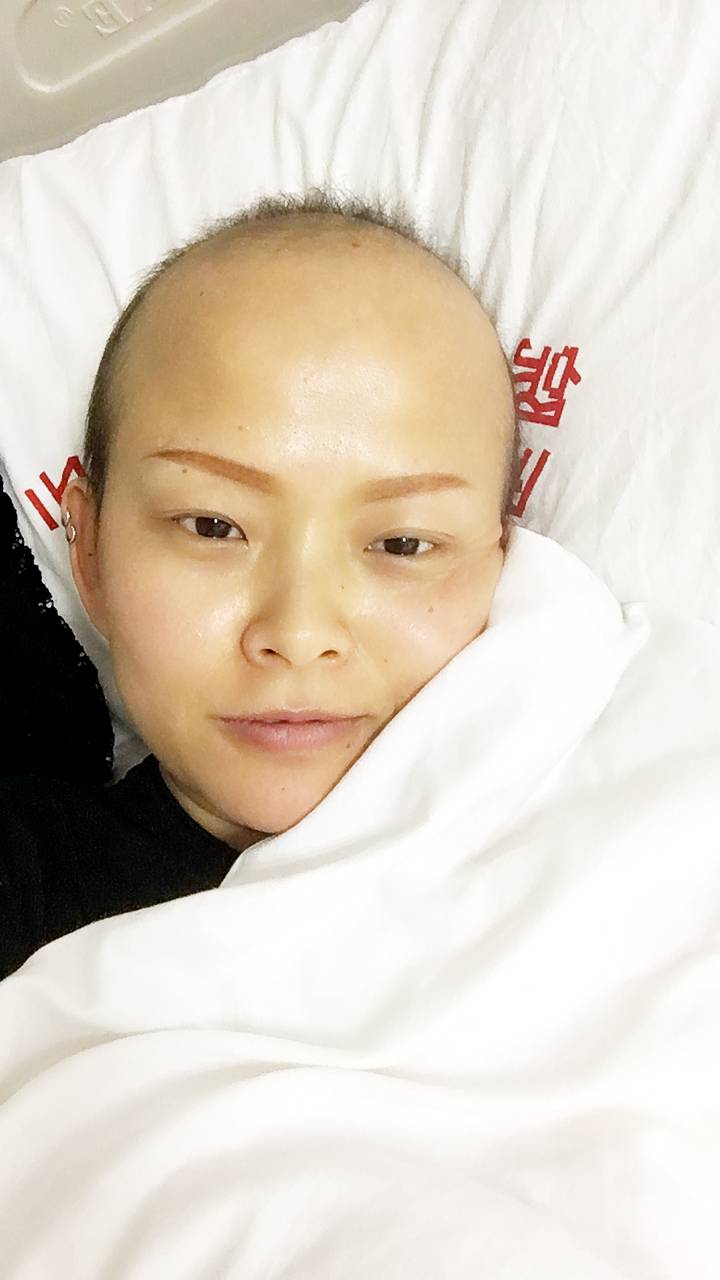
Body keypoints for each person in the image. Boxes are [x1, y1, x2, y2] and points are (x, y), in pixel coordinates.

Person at [0, 186, 522, 981]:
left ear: (505, 566)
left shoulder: (618, 827)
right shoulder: (29, 886)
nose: (299, 631)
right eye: (213, 526)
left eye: (401, 542)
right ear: (92, 554)